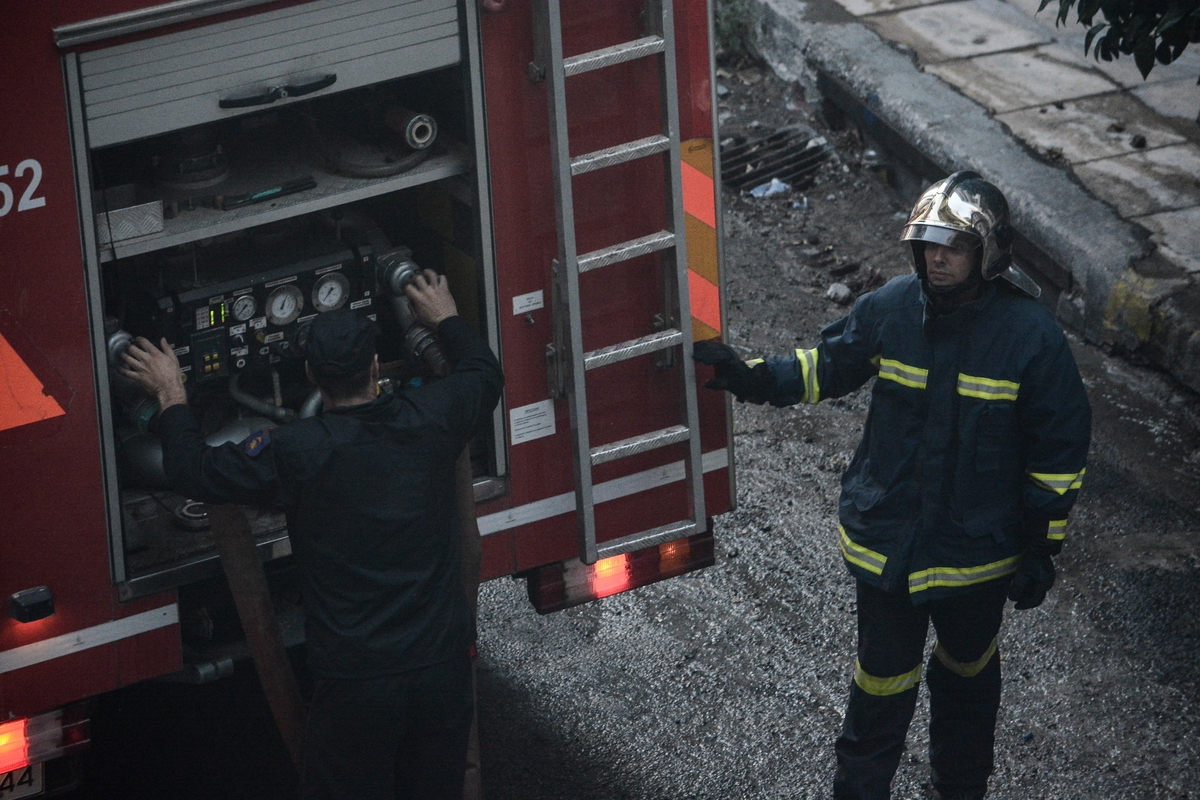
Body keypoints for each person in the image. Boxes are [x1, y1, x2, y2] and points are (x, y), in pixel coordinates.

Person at [694, 172, 1091, 800]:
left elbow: (1059, 453)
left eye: (953, 246)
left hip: (975, 560)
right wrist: (750, 378)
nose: (936, 257)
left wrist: (1043, 547)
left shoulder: (1031, 339)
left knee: (967, 684)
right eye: (928, 243)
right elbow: (826, 367)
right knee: (879, 687)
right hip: (889, 552)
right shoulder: (891, 308)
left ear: (986, 254)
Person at [119, 270, 503, 800]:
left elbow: (194, 472)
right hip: (442, 674)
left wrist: (171, 394)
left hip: (356, 689)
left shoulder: (296, 453)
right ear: (375, 367)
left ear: (310, 374)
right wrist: (446, 319)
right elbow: (484, 373)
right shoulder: (431, 417)